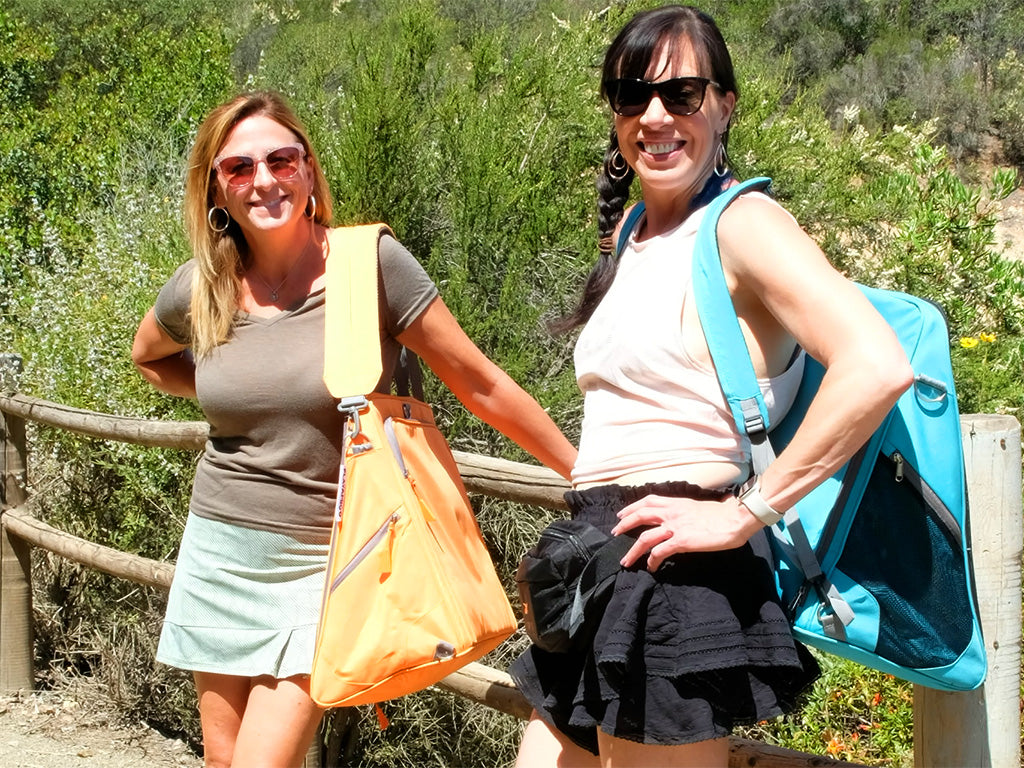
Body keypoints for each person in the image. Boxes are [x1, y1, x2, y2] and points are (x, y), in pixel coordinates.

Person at [509, 6, 913, 767]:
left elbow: (877, 363)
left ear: (724, 105)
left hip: (675, 577)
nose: (655, 116)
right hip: (600, 563)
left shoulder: (744, 224)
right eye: (634, 96)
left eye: (682, 94)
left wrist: (743, 515)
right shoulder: (632, 232)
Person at [130, 90, 577, 768]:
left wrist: (588, 471)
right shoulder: (205, 284)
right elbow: (149, 358)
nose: (264, 180)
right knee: (221, 761)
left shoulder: (370, 268)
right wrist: (240, 397)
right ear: (215, 186)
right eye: (240, 167)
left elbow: (479, 382)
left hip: (329, 560)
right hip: (219, 547)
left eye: (281, 159)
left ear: (309, 171)